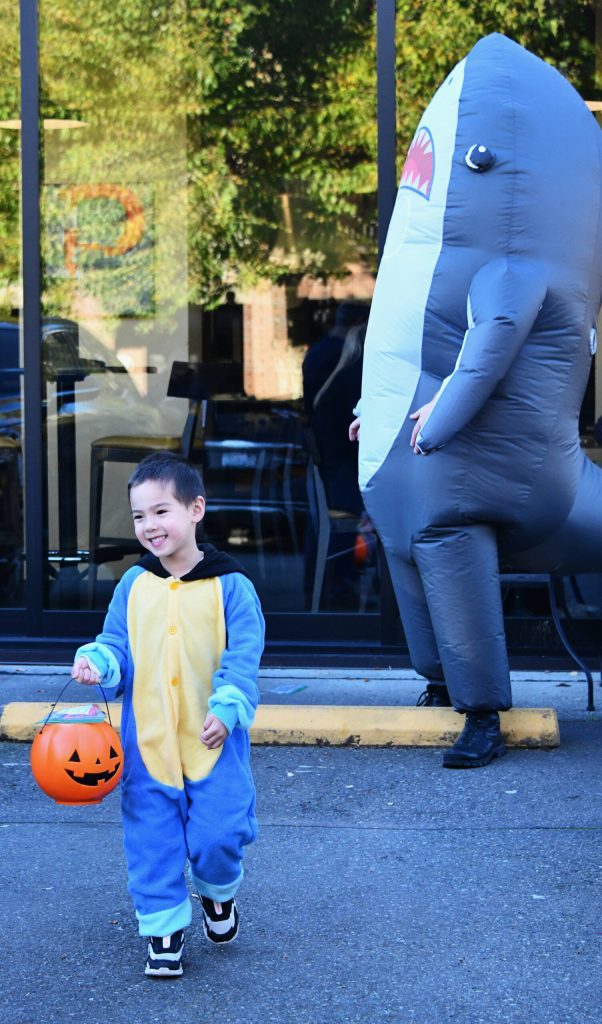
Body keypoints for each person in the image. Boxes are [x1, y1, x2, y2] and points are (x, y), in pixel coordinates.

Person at [71, 451, 264, 977]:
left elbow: (243, 659)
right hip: (146, 749)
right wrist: (97, 661)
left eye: (161, 512)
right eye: (139, 516)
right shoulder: (134, 586)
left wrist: (228, 707)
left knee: (218, 837)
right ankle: (163, 931)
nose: (149, 526)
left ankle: (217, 894)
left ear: (196, 509)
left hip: (212, 745)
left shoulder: (232, 587)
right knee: (151, 843)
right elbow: (115, 644)